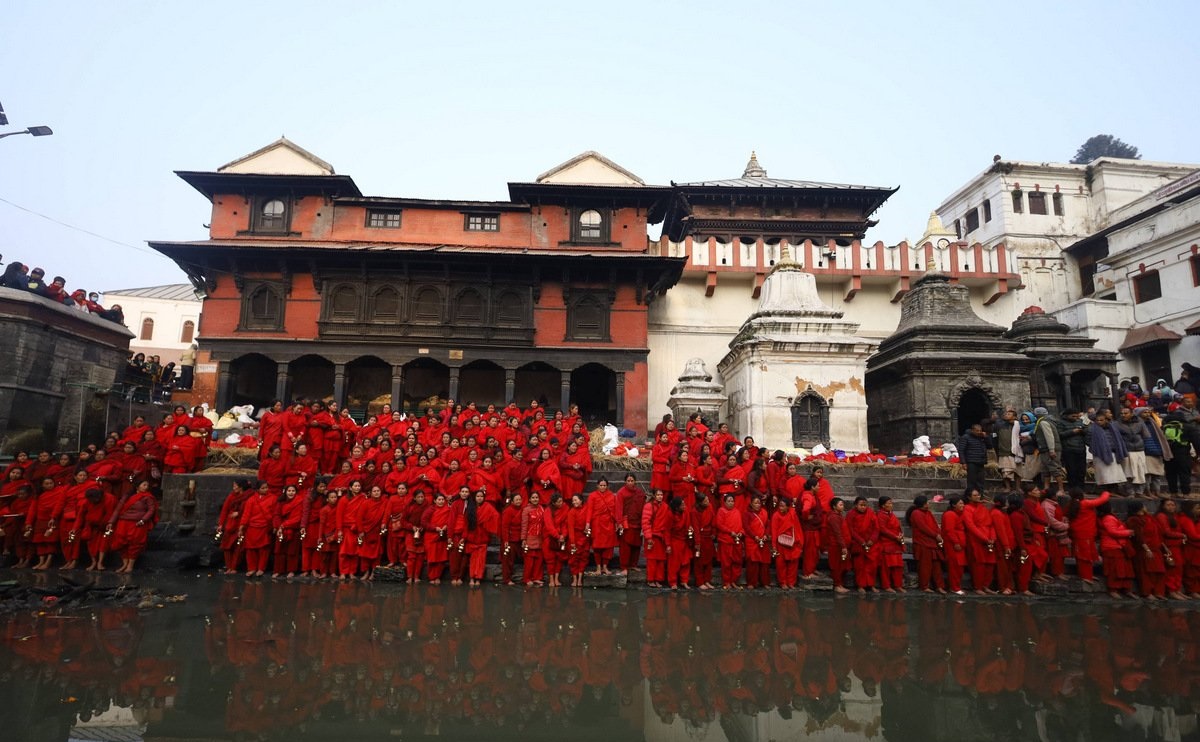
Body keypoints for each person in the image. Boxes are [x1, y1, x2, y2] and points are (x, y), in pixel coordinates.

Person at [1065, 488, 1109, 583]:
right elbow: (1102, 500)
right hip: (1085, 534)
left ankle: (1086, 575)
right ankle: (1086, 576)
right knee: (1085, 557)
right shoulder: (1085, 504)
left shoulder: (1070, 505)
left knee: (1082, 556)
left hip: (1078, 533)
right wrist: (1106, 492)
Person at [1127, 502, 1167, 600]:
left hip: (1156, 547)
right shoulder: (1134, 519)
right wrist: (1147, 549)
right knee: (1145, 572)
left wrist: (1163, 546)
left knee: (1159, 571)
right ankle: (1147, 592)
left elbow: (1158, 533)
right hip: (1144, 549)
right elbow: (1139, 536)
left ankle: (1158, 592)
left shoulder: (1150, 518)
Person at [906, 496, 945, 593]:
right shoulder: (916, 513)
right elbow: (923, 527)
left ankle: (939, 586)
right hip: (923, 543)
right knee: (924, 566)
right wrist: (936, 535)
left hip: (932, 543)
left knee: (937, 566)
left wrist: (938, 533)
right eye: (926, 503)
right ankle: (924, 586)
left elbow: (935, 525)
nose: (928, 504)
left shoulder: (928, 513)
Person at [1098, 501, 1135, 599]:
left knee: (1125, 569)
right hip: (1112, 547)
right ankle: (1113, 589)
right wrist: (1128, 532)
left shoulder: (1108, 518)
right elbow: (1113, 532)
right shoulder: (1108, 518)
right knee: (1115, 570)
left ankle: (1126, 588)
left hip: (1118, 547)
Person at [584, 477, 620, 575]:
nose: (603, 487)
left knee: (609, 547)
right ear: (597, 486)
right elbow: (589, 510)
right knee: (597, 546)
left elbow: (616, 510)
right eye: (601, 485)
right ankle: (598, 567)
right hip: (597, 523)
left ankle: (605, 566)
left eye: (604, 485)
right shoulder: (592, 496)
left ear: (607, 486)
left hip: (609, 523)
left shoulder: (612, 496)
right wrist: (587, 523)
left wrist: (617, 522)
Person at [1087, 411, 1128, 493]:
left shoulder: (1112, 428)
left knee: (1114, 474)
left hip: (1113, 453)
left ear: (1106, 420)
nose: (1099, 422)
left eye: (1101, 420)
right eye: (1097, 420)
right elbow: (1089, 441)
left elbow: (1118, 439)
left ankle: (1114, 490)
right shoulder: (1092, 429)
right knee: (1104, 474)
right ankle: (1105, 491)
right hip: (1100, 455)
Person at [845, 496, 879, 593]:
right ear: (856, 505)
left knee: (872, 566)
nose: (863, 507)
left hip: (870, 543)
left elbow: (876, 528)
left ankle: (871, 585)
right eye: (861, 505)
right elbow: (850, 530)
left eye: (865, 505)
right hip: (857, 543)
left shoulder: (871, 513)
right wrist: (861, 541)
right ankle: (861, 585)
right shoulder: (851, 514)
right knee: (859, 566)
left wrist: (872, 540)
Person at [770, 497, 802, 589]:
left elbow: (797, 529)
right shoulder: (776, 515)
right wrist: (774, 546)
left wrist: (799, 541)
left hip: (792, 542)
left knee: (793, 564)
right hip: (781, 543)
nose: (780, 508)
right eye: (779, 506)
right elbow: (774, 531)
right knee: (781, 564)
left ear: (788, 507)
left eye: (783, 506)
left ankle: (791, 582)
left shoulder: (793, 515)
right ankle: (783, 582)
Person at [875, 496, 905, 593]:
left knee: (898, 566)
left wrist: (900, 536)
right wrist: (895, 537)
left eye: (891, 503)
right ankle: (886, 585)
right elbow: (883, 529)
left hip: (896, 543)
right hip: (886, 543)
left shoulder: (892, 515)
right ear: (883, 505)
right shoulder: (880, 515)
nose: (891, 504)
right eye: (889, 503)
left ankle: (898, 585)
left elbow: (898, 527)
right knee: (886, 567)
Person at [714, 493, 744, 589]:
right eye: (729, 501)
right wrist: (730, 532)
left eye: (732, 501)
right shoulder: (721, 511)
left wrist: (741, 532)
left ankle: (734, 581)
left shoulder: (737, 511)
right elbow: (719, 524)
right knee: (726, 563)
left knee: (737, 562)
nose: (731, 503)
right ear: (725, 502)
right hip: (725, 540)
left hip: (736, 540)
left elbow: (741, 525)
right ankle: (726, 581)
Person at [642, 489, 670, 588]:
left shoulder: (665, 507)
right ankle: (650, 580)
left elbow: (667, 525)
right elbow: (646, 522)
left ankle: (658, 579)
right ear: (654, 496)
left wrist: (667, 542)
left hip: (661, 537)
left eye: (661, 495)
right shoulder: (648, 506)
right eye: (658, 495)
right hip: (653, 537)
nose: (660, 497)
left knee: (661, 561)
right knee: (652, 560)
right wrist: (649, 537)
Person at [824, 498, 850, 594]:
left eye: (843, 504)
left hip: (841, 544)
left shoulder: (838, 516)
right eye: (840, 505)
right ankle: (837, 585)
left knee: (841, 565)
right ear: (834, 507)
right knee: (836, 566)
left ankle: (840, 584)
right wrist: (843, 546)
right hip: (836, 545)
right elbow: (837, 533)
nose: (842, 506)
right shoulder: (833, 517)